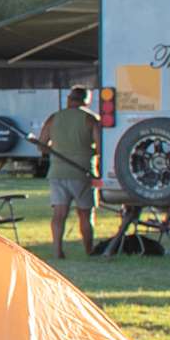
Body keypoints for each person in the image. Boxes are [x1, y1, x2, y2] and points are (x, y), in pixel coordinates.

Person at [39, 87, 102, 258]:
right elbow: (100, 146)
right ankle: (89, 250)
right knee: (85, 213)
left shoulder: (54, 118)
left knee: (59, 214)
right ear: (86, 100)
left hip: (57, 171)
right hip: (82, 172)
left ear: (69, 99)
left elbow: (41, 145)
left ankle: (57, 250)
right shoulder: (90, 119)